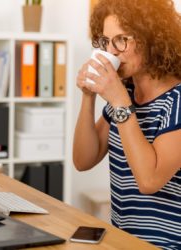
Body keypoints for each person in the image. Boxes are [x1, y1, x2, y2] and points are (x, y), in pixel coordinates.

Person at [73, 0, 181, 249]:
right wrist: (88, 97)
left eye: (121, 39)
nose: (112, 52)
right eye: (107, 42)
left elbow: (149, 181)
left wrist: (119, 99)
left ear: (151, 37)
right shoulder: (126, 94)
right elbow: (83, 160)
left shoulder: (175, 102)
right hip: (123, 242)